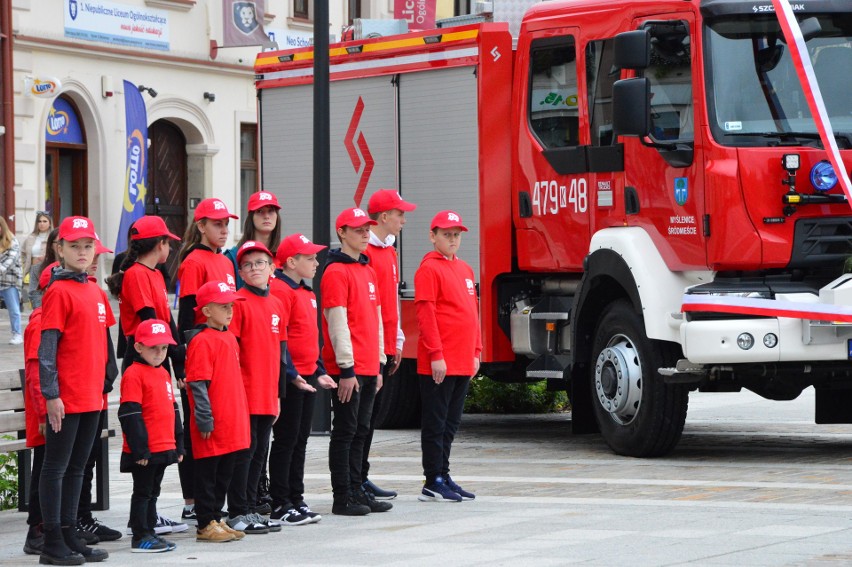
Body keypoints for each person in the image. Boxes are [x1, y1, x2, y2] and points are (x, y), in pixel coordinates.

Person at [38, 216, 115, 564]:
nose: (83, 252)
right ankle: (52, 540)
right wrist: (52, 395)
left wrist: (105, 387)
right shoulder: (57, 291)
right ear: (60, 249)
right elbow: (48, 347)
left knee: (79, 468)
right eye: (75, 246)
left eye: (88, 246)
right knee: (56, 467)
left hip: (92, 397)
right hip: (66, 398)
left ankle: (70, 533)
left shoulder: (95, 291)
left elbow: (102, 344)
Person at [104, 215, 187, 536]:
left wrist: (177, 363)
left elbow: (168, 319)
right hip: (146, 354)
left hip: (159, 352)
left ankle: (150, 515)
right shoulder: (138, 274)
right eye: (168, 242)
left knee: (163, 427)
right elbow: (150, 320)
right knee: (148, 434)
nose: (170, 248)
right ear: (159, 244)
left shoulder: (154, 274)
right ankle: (144, 521)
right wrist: (169, 356)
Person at [322, 208, 390, 516]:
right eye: (358, 229)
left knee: (362, 429)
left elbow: (375, 320)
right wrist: (346, 369)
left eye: (367, 229)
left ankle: (357, 485)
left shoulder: (367, 268)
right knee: (346, 430)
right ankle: (343, 495)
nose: (365, 233)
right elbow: (338, 323)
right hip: (348, 369)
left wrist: (378, 363)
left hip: (367, 366)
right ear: (342, 233)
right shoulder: (336, 271)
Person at [268, 233, 337, 526]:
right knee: (286, 440)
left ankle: (296, 497)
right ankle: (280, 501)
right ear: (291, 262)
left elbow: (310, 338)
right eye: (310, 258)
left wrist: (319, 369)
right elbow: (280, 341)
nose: (317, 262)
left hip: (307, 376)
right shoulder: (281, 291)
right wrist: (293, 374)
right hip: (290, 379)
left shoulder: (306, 292)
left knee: (300, 440)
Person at [176, 198, 238, 522]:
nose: (224, 230)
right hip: (201, 355)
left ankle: (212, 504)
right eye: (217, 224)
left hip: (223, 353)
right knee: (199, 430)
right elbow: (188, 314)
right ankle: (194, 502)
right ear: (201, 226)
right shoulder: (194, 261)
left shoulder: (227, 262)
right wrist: (185, 365)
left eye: (226, 224)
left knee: (220, 431)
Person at [415, 210, 481, 503]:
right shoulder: (428, 269)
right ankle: (433, 479)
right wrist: (436, 354)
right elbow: (426, 315)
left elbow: (472, 313)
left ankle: (444, 472)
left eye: (456, 235)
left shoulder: (465, 270)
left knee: (451, 423)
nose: (452, 240)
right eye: (446, 235)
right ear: (433, 236)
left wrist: (476, 351)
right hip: (440, 361)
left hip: (463, 358)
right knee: (436, 421)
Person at [224, 240, 288, 535]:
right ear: (240, 272)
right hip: (245, 394)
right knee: (244, 454)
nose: (254, 268)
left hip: (267, 395)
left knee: (259, 454)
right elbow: (232, 352)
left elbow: (279, 353)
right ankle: (237, 510)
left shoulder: (276, 303)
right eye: (247, 265)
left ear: (272, 268)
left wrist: (277, 394)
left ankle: (251, 508)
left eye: (260, 263)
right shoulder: (238, 303)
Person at [361, 189, 418, 500]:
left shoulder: (389, 252)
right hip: (369, 344)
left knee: (372, 415)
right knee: (363, 417)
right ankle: (354, 478)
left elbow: (391, 300)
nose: (404, 220)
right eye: (399, 214)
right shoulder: (366, 252)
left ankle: (362, 475)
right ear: (383, 217)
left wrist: (397, 339)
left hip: (384, 343)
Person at [185, 280, 250, 543]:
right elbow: (198, 384)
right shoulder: (201, 341)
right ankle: (204, 523)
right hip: (213, 421)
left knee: (224, 473)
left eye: (231, 306)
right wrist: (204, 418)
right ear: (207, 310)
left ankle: (215, 518)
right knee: (208, 476)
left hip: (231, 419)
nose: (230, 311)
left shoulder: (229, 337)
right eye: (224, 306)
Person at [118, 318, 184, 553]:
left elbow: (173, 409)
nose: (159, 353)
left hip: (164, 445)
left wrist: (179, 443)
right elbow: (130, 414)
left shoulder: (163, 373)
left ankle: (150, 530)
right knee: (143, 492)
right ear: (138, 347)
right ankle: (140, 535)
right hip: (146, 449)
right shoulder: (134, 374)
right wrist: (140, 449)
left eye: (164, 348)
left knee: (153, 492)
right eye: (153, 347)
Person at [74, 238, 124, 545]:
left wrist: (108, 373)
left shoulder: (96, 292)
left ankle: (84, 517)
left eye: (97, 255)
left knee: (90, 457)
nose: (94, 260)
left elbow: (106, 337)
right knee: (79, 459)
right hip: (82, 391)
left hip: (98, 390)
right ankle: (75, 519)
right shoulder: (77, 291)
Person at [22, 266, 53, 555]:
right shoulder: (40, 321)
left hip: (54, 411)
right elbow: (35, 373)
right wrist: (44, 413)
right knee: (44, 468)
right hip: (44, 414)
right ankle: (36, 528)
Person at [224, 191, 282, 290]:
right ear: (251, 217)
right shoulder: (232, 258)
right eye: (260, 211)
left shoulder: (284, 257)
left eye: (271, 211)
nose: (266, 216)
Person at [21, 211, 53, 308]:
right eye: (39, 221)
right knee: (33, 293)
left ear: (49, 223)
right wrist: (26, 264)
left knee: (47, 292)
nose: (42, 224)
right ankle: (37, 315)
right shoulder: (31, 237)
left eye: (44, 221)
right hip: (33, 268)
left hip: (47, 269)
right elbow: (23, 252)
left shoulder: (53, 237)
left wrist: (46, 257)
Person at [0, 217, 23, 345]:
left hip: (10, 281)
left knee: (13, 309)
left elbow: (9, 263)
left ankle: (17, 334)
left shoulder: (12, 242)